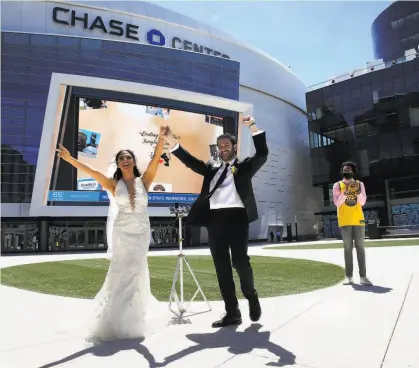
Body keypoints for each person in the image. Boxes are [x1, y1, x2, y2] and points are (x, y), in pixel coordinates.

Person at [56, 125, 168, 342]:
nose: (125, 161)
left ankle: (132, 319)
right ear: (118, 164)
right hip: (123, 232)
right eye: (121, 159)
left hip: (142, 231)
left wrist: (161, 139)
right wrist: (70, 159)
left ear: (133, 162)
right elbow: (92, 172)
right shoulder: (113, 184)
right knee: (120, 273)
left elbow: (155, 159)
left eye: (128, 157)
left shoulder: (144, 181)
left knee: (136, 272)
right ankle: (113, 321)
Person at [161, 115, 268, 328]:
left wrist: (253, 126)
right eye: (220, 146)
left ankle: (251, 295)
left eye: (226, 145)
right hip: (215, 220)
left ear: (234, 147)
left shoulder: (245, 165)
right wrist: (171, 140)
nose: (223, 148)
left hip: (237, 218)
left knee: (239, 262)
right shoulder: (212, 167)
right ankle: (232, 312)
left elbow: (262, 153)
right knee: (222, 268)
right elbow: (192, 162)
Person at [333, 161, 372, 286]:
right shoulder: (337, 185)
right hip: (344, 221)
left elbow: (362, 202)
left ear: (353, 171)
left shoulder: (360, 184)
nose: (347, 171)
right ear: (342, 171)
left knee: (360, 248)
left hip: (358, 220)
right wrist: (346, 192)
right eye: (345, 169)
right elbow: (337, 203)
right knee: (347, 249)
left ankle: (363, 276)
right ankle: (349, 276)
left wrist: (357, 191)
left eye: (349, 169)